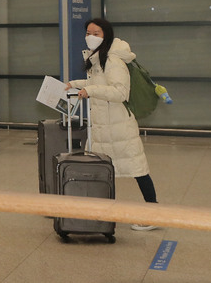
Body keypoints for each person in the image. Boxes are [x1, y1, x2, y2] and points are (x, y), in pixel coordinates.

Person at [66, 18, 159, 231]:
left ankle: (154, 213)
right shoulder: (99, 58)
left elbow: (119, 92)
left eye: (96, 33)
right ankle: (105, 211)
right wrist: (75, 84)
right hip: (103, 125)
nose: (91, 37)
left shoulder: (114, 61)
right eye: (88, 33)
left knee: (137, 169)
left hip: (117, 125)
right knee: (104, 170)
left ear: (106, 35)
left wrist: (90, 91)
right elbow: (98, 84)